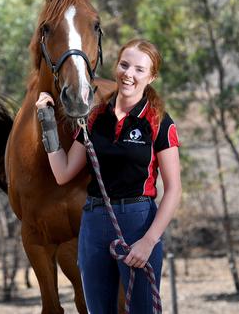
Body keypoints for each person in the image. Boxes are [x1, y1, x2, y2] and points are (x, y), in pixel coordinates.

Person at [36, 38, 182, 313]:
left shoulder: (159, 121)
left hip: (138, 221)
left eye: (139, 69)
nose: (129, 74)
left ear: (151, 77)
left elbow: (174, 189)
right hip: (93, 222)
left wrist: (149, 240)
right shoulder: (94, 117)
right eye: (124, 65)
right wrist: (47, 122)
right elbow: (63, 173)